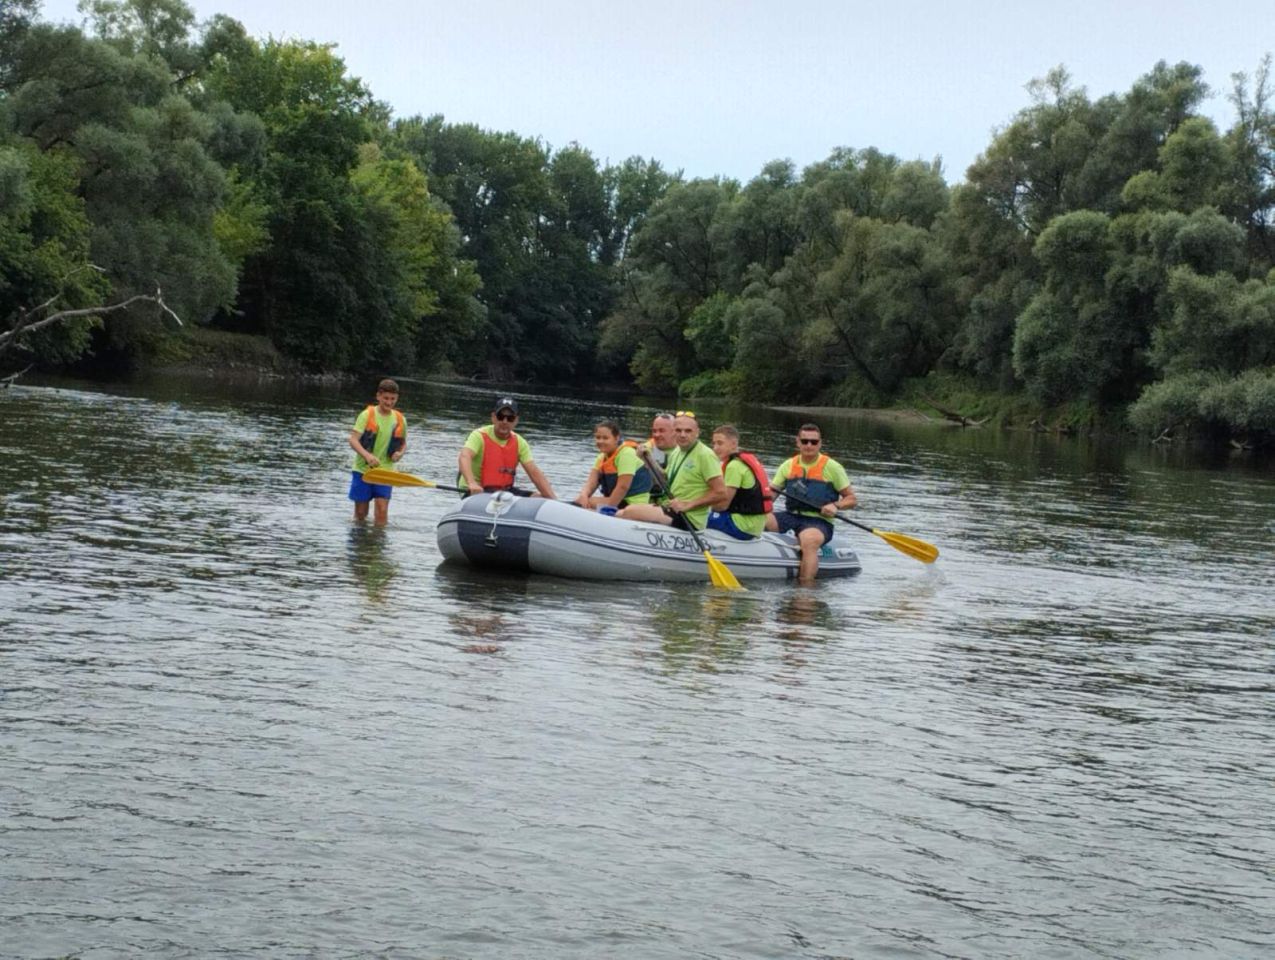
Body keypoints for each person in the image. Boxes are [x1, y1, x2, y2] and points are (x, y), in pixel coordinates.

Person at [766, 422, 857, 583]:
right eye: (805, 441)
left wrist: (835, 506)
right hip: (791, 515)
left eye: (814, 442)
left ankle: (805, 589)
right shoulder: (788, 465)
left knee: (808, 540)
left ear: (820, 443)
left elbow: (851, 499)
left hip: (819, 521)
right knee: (759, 519)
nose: (809, 445)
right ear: (798, 442)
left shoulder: (833, 467)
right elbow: (771, 494)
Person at [619, 411, 724, 531]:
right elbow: (664, 480)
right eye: (678, 430)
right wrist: (647, 459)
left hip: (688, 517)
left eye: (688, 431)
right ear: (674, 432)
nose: (683, 435)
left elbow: (720, 493)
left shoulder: (705, 455)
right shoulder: (677, 451)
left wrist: (687, 505)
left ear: (697, 433)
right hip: (672, 508)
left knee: (630, 511)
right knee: (620, 513)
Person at [458, 396, 557, 498]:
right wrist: (471, 483)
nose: (505, 421)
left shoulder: (520, 442)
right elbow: (465, 456)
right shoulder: (478, 435)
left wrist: (552, 499)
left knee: (538, 497)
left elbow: (533, 471)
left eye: (510, 418)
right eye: (500, 417)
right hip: (476, 490)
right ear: (493, 417)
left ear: (516, 420)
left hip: (504, 491)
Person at [347, 378, 407, 524]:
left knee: (381, 511)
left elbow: (403, 444)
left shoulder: (400, 419)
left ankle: (379, 543)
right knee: (360, 513)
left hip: (385, 473)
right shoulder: (366, 415)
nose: (389, 402)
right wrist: (367, 455)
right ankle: (361, 543)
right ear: (378, 396)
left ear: (397, 398)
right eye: (386, 398)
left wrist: (400, 453)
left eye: (393, 399)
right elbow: (353, 440)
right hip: (363, 470)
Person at [705, 424, 769, 540]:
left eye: (720, 443)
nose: (715, 448)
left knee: (696, 517)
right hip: (755, 525)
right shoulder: (743, 462)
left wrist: (699, 504)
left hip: (741, 526)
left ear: (734, 444)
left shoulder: (733, 466)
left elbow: (722, 505)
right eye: (714, 443)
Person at [572, 420, 652, 511]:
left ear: (616, 438)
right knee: (581, 501)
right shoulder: (602, 457)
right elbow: (591, 482)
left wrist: (607, 509)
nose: (601, 441)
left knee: (590, 503)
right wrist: (584, 495)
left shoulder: (626, 454)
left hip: (632, 503)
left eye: (605, 438)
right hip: (618, 501)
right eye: (598, 437)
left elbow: (623, 487)